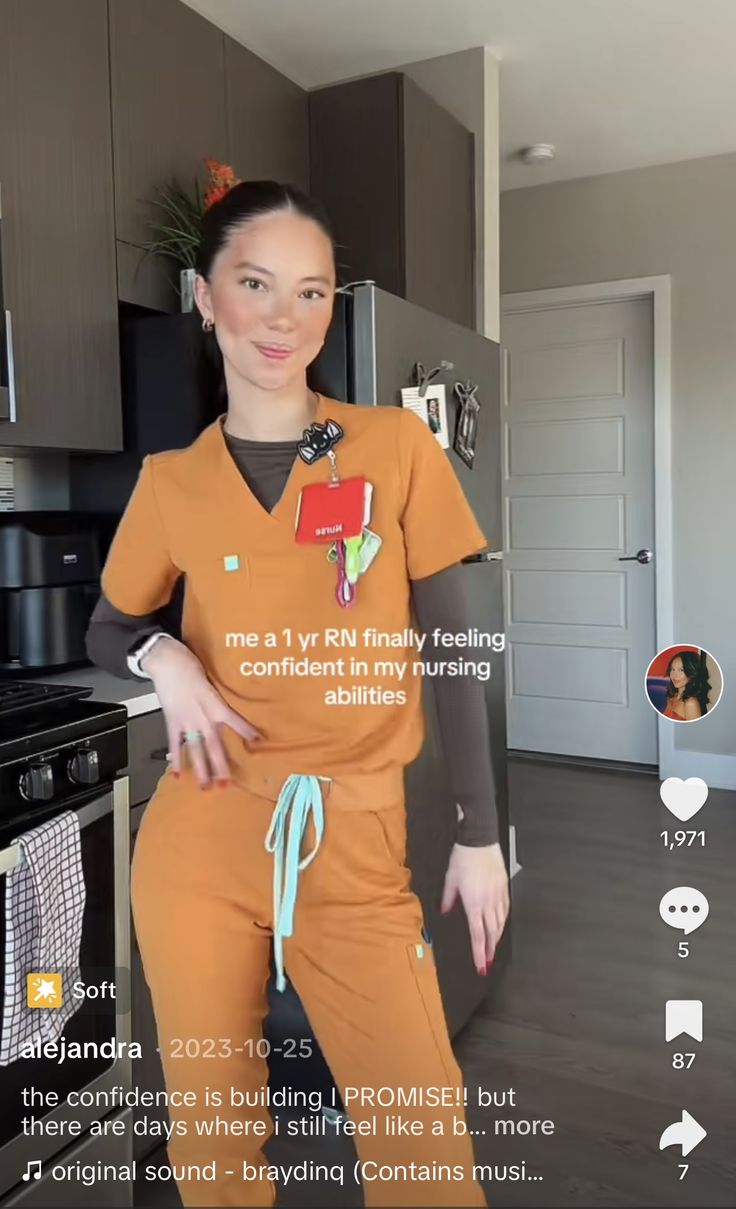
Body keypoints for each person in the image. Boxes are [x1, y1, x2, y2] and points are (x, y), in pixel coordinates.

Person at [87, 180, 508, 1208]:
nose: (283, 318)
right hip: (203, 824)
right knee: (214, 1126)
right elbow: (110, 626)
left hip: (352, 831)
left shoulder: (395, 448)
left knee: (420, 1135)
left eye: (311, 293)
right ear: (205, 296)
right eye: (256, 283)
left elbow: (451, 646)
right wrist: (167, 662)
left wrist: (479, 831)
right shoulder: (169, 482)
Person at [661, 649, 710, 720]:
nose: (675, 675)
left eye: (681, 670)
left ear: (691, 673)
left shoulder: (691, 703)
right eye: (672, 669)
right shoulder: (672, 696)